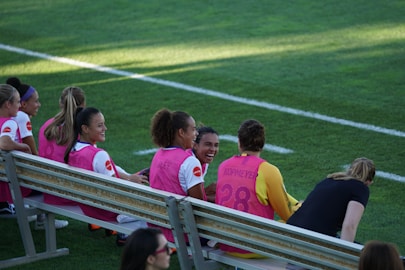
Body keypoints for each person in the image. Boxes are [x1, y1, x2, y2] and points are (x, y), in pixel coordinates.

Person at [216, 119, 300, 258]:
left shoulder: (224, 166)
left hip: (227, 242)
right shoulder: (268, 171)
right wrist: (301, 207)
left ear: (239, 142)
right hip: (256, 247)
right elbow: (288, 215)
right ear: (262, 144)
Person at [64, 107, 148, 245]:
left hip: (89, 207)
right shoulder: (98, 155)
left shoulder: (73, 149)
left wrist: (129, 177)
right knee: (155, 205)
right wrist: (133, 183)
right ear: (85, 128)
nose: (105, 128)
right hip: (107, 211)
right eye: (99, 125)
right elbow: (116, 188)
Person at [149, 108, 206, 243]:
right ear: (181, 132)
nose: (196, 134)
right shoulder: (190, 161)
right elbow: (199, 205)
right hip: (184, 231)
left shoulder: (158, 155)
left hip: (158, 225)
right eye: (193, 129)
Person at [287, 157, 375, 243]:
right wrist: (344, 252)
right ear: (368, 182)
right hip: (313, 237)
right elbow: (349, 225)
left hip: (290, 228)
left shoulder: (330, 179)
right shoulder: (361, 188)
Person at [0, 84, 32, 203]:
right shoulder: (10, 123)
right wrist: (24, 146)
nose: (19, 106)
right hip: (16, 180)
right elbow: (4, 143)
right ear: (8, 104)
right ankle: (41, 219)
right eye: (18, 102)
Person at [6, 77, 41, 155]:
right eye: (36, 101)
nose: (39, 105)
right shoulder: (21, 116)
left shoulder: (8, 113)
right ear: (24, 104)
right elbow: (33, 153)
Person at [187, 126, 219, 203]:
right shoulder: (191, 163)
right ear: (195, 145)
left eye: (216, 145)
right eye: (208, 144)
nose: (213, 149)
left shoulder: (203, 161)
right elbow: (196, 201)